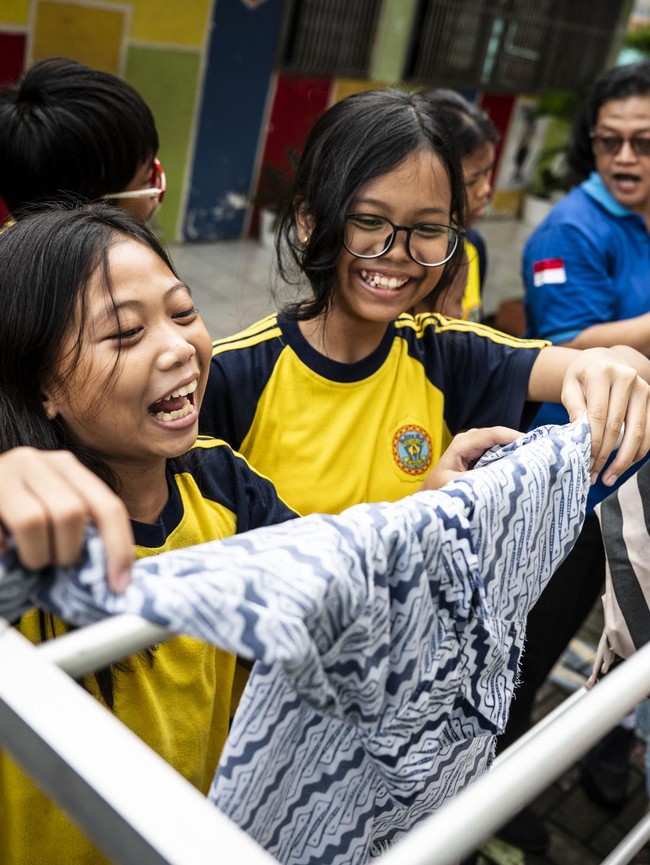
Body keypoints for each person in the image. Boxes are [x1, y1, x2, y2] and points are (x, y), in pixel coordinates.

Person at [0, 204, 301, 865]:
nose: (179, 348)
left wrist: (431, 505)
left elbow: (327, 571)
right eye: (126, 333)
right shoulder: (23, 539)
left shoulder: (222, 480)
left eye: (184, 311)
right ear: (44, 384)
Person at [199, 87, 650, 523]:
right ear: (308, 221)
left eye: (429, 228)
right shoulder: (227, 378)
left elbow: (581, 365)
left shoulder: (449, 354)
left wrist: (619, 364)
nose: (397, 250)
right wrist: (420, 509)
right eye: (370, 220)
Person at [510, 59, 650, 852]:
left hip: (642, 480)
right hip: (575, 492)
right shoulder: (569, 229)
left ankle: (605, 741)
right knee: (532, 647)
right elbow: (567, 348)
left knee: (630, 635)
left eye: (644, 142)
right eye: (610, 141)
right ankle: (493, 784)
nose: (626, 158)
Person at [0, 57, 165, 223]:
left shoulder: (11, 244)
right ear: (94, 213)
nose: (157, 189)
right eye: (147, 180)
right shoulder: (114, 248)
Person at [414, 88, 498, 320]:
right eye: (472, 181)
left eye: (488, 172)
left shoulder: (472, 245)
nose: (486, 190)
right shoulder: (406, 263)